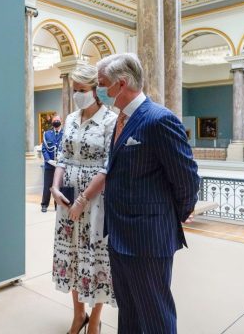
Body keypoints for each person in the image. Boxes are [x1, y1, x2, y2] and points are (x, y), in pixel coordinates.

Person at [97, 53, 200, 334]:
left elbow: (187, 178)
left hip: (148, 238)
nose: (100, 91)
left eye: (102, 84)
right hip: (119, 236)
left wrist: (172, 216)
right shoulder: (121, 120)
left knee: (154, 313)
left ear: (121, 84)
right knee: (128, 311)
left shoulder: (158, 120)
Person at [50, 64, 117, 334]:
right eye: (74, 90)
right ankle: (79, 316)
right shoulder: (70, 119)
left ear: (95, 91)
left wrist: (83, 200)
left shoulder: (110, 120)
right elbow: (62, 157)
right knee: (72, 256)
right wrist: (55, 189)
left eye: (81, 90)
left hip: (95, 202)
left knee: (95, 258)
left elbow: (107, 166)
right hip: (67, 199)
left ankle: (96, 319)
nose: (77, 94)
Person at [40, 115, 63, 212]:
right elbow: (44, 149)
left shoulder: (65, 133)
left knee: (59, 186)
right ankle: (44, 204)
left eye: (58, 120)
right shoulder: (47, 134)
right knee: (47, 185)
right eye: (54, 120)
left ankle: (58, 205)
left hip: (61, 165)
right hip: (49, 165)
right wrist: (48, 160)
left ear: (61, 121)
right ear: (52, 122)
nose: (56, 122)